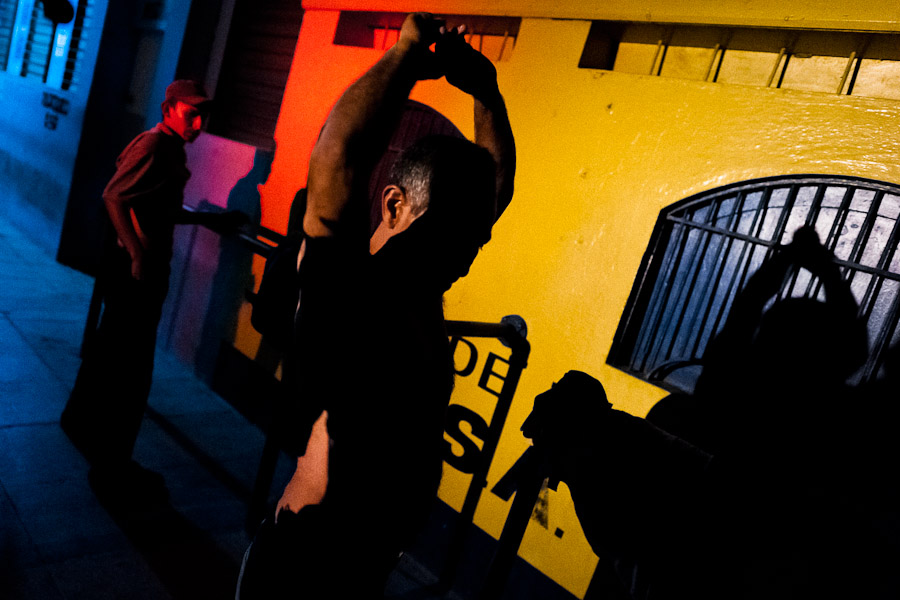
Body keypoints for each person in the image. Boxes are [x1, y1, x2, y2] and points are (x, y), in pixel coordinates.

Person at [236, 12, 515, 598]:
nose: (468, 254)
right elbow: (337, 158)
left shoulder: (422, 287)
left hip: (359, 569)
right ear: (393, 205)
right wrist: (405, 56)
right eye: (457, 235)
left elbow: (495, 191)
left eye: (476, 237)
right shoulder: (352, 291)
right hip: (303, 570)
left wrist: (486, 89)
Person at [60, 79, 247, 503]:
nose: (198, 123)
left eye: (202, 116)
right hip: (135, 275)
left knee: (110, 353)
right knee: (131, 370)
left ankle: (78, 422)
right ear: (168, 108)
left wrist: (207, 221)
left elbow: (153, 205)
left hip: (131, 271)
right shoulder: (154, 145)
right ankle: (113, 467)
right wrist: (138, 253)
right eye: (189, 114)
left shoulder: (165, 147)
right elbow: (114, 196)